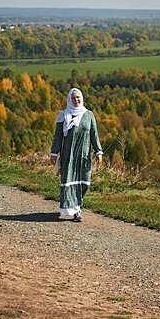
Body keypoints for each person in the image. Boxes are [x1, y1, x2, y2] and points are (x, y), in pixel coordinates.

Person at [49, 88, 103, 222]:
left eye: (78, 97)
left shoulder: (88, 115)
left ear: (82, 98)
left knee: (85, 182)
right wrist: (54, 153)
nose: (76, 100)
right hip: (68, 156)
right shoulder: (63, 116)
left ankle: (76, 205)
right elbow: (58, 137)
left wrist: (98, 151)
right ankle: (76, 211)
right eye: (73, 98)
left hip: (83, 155)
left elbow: (94, 135)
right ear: (69, 100)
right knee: (69, 182)